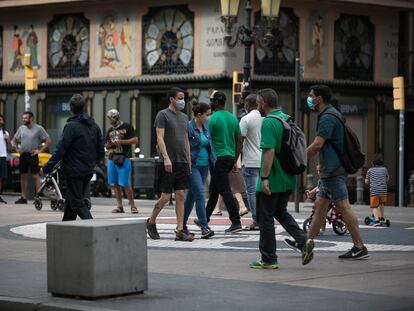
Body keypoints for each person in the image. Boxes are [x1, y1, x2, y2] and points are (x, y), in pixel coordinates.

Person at [305, 84, 368, 260]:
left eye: (311, 96)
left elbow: (318, 144)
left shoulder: (327, 118)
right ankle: (306, 241)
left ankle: (359, 246)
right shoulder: (331, 114)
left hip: (333, 171)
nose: (309, 99)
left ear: (319, 98)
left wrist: (300, 158)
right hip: (328, 171)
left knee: (343, 208)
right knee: (319, 210)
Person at [249, 88, 311, 269]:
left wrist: (265, 178)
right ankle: (303, 240)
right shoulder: (286, 118)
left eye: (258, 103)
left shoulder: (268, 122)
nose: (257, 106)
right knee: (280, 212)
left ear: (263, 103)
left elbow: (268, 152)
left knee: (265, 219)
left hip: (272, 179)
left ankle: (268, 259)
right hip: (288, 178)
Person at [41, 94, 104, 221]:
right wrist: (92, 163)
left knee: (77, 203)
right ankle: (66, 229)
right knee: (71, 202)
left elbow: (61, 149)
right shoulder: (94, 126)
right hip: (87, 171)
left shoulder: (71, 126)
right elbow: (101, 151)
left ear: (71, 108)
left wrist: (47, 167)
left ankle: (94, 227)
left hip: (73, 171)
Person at [147, 87, 193, 242]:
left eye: (183, 98)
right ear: (172, 99)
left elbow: (185, 139)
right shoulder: (162, 115)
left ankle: (180, 230)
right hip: (167, 161)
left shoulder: (185, 117)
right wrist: (166, 158)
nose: (182, 101)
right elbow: (159, 138)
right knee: (166, 197)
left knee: (181, 195)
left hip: (182, 161)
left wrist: (189, 159)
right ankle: (151, 221)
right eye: (180, 98)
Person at [204, 91, 243, 233]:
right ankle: (204, 218)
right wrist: (234, 159)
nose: (210, 103)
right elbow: (240, 141)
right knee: (214, 190)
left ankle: (236, 221)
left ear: (215, 102)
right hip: (229, 158)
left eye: (211, 100)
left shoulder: (212, 119)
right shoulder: (233, 118)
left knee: (225, 190)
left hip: (218, 159)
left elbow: (206, 140)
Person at [183, 101, 216, 239]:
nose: (209, 117)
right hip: (193, 166)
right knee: (201, 195)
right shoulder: (189, 127)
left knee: (191, 196)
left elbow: (209, 146)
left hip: (205, 166)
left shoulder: (206, 127)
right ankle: (204, 227)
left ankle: (181, 224)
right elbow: (184, 146)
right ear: (199, 114)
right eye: (207, 115)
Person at [12, 111, 51, 204]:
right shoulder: (21, 128)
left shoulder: (38, 128)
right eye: (23, 118)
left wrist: (40, 150)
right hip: (23, 155)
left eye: (25, 118)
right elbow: (14, 140)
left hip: (33, 155)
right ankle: (23, 197)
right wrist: (16, 148)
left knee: (35, 176)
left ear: (31, 118)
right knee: (23, 176)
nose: (23, 120)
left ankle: (37, 198)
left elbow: (48, 141)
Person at [105, 109, 139, 214]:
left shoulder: (127, 127)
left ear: (116, 117)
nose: (110, 121)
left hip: (124, 158)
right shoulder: (110, 130)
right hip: (112, 158)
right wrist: (110, 144)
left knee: (125, 183)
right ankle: (119, 206)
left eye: (112, 118)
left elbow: (135, 140)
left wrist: (121, 141)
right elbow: (106, 145)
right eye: (109, 119)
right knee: (115, 183)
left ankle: (132, 205)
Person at [239, 93, 263, 230]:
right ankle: (263, 218)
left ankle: (256, 220)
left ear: (248, 104)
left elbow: (239, 140)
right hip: (264, 160)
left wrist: (236, 159)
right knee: (262, 192)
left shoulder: (246, 119)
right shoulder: (265, 118)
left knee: (252, 193)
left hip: (250, 161)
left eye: (245, 103)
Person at [365, 153, 389, 226]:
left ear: (372, 162)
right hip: (383, 191)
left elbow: (366, 181)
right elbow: (387, 178)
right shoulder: (384, 169)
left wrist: (369, 182)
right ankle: (382, 218)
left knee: (374, 206)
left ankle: (377, 220)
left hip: (374, 191)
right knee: (381, 204)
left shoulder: (370, 170)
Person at [0, 115, 11, 203]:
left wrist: (8, 140)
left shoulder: (5, 132)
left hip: (3, 157)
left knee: (1, 178)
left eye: (1, 120)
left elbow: (10, 148)